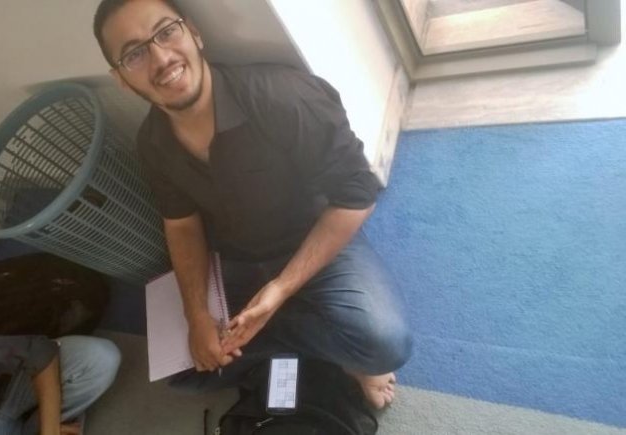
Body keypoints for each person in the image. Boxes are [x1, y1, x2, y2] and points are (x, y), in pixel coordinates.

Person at [93, 0, 412, 409]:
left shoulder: (283, 96)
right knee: (185, 375)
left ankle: (326, 344)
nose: (161, 58)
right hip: (237, 259)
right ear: (121, 78)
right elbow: (182, 225)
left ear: (194, 32)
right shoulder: (152, 144)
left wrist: (280, 289)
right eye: (135, 54)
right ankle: (327, 341)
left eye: (166, 32)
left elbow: (356, 197)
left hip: (313, 240)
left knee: (385, 343)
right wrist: (197, 316)